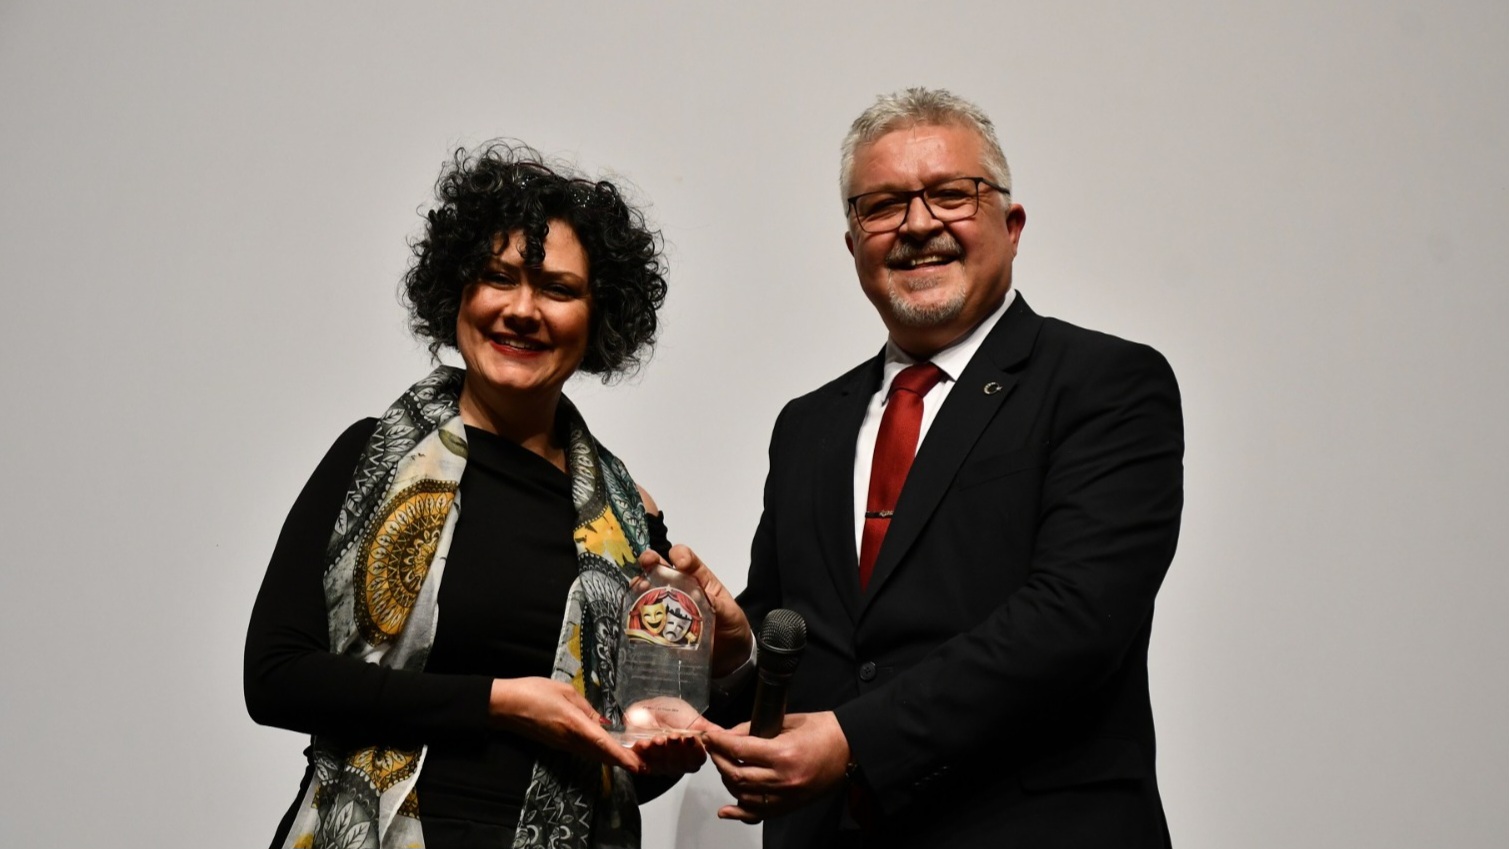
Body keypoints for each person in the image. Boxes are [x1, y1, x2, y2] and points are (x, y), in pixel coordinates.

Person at [700, 88, 1185, 847]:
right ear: (853, 243)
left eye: (951, 194)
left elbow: (1075, 620)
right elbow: (798, 643)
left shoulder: (1104, 383)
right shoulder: (806, 425)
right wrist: (735, 654)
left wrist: (853, 741)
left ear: (1011, 226)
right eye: (883, 205)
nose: (918, 224)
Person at [244, 142, 724, 849]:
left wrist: (661, 747)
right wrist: (497, 703)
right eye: (498, 278)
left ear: (598, 317)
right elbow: (276, 677)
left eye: (557, 289)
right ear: (458, 292)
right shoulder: (369, 460)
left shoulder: (628, 517)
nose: (522, 310)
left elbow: (621, 763)